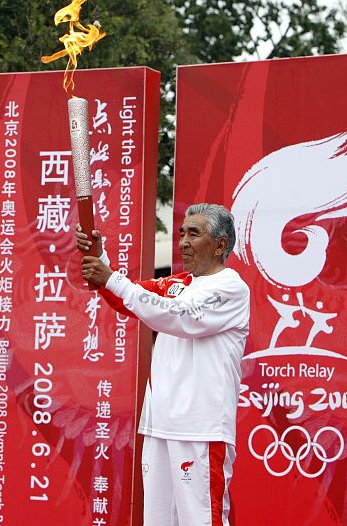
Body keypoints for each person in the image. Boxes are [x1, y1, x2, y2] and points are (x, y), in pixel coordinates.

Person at [76, 203, 250, 526]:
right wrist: (101, 261)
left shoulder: (231, 289)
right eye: (182, 233)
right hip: (159, 424)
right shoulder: (176, 285)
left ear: (220, 245)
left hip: (202, 428)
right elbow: (128, 299)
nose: (183, 242)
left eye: (194, 234)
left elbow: (178, 316)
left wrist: (111, 278)